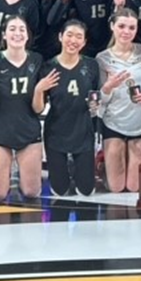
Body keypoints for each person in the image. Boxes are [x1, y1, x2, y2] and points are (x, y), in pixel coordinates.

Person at [0, 15, 45, 200]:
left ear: (27, 36)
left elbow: (39, 109)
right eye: (13, 29)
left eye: (22, 29)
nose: (17, 33)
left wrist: (39, 90)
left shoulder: (37, 60)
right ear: (4, 35)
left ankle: (19, 173)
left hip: (28, 130)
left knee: (32, 192)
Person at [96, 8, 141, 193]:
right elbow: (98, 99)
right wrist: (108, 88)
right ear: (112, 26)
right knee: (116, 188)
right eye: (121, 26)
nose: (126, 31)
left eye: (131, 27)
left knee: (134, 187)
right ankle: (102, 165)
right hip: (113, 122)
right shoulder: (102, 58)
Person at [39, 20, 100, 196]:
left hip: (83, 129)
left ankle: (79, 165)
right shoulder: (48, 67)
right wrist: (38, 89)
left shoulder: (91, 65)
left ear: (84, 42)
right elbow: (38, 107)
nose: (73, 40)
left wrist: (96, 104)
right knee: (60, 190)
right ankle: (65, 166)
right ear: (60, 37)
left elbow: (95, 95)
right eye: (69, 35)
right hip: (57, 131)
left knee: (86, 190)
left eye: (79, 37)